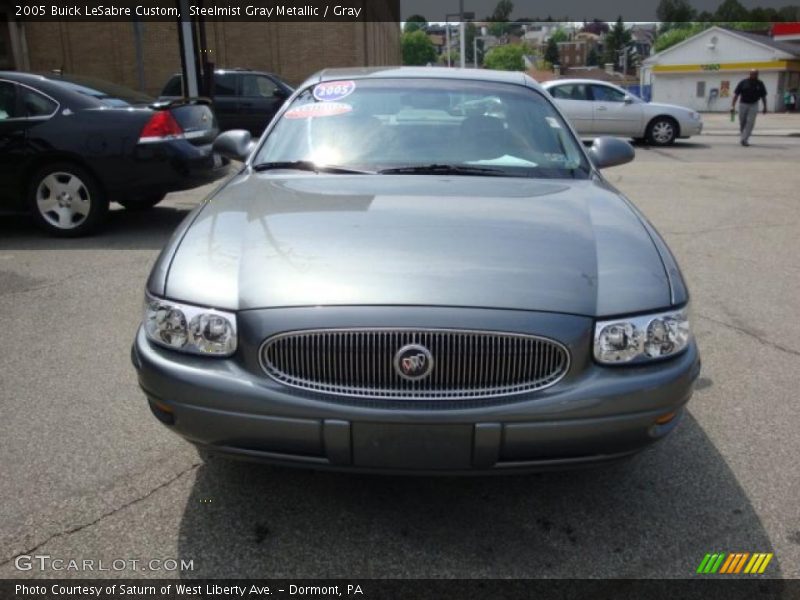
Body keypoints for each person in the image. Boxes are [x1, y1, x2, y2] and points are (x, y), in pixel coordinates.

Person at [731, 69, 767, 146]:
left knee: (750, 122)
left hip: (754, 104)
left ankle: (745, 139)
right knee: (742, 122)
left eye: (756, 74)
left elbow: (763, 96)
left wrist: (765, 107)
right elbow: (736, 95)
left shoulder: (760, 84)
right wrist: (732, 105)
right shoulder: (743, 82)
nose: (754, 75)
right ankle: (743, 136)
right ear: (749, 74)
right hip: (743, 104)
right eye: (753, 74)